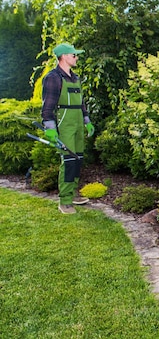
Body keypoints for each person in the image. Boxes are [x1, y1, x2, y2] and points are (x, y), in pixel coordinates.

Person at [41, 43, 95, 214]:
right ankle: (64, 201)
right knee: (69, 160)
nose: (76, 57)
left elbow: (81, 103)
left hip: (78, 120)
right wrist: (49, 128)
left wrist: (87, 121)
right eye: (74, 55)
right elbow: (47, 106)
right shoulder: (53, 77)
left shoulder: (76, 78)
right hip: (64, 122)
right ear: (63, 56)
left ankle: (72, 194)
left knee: (78, 159)